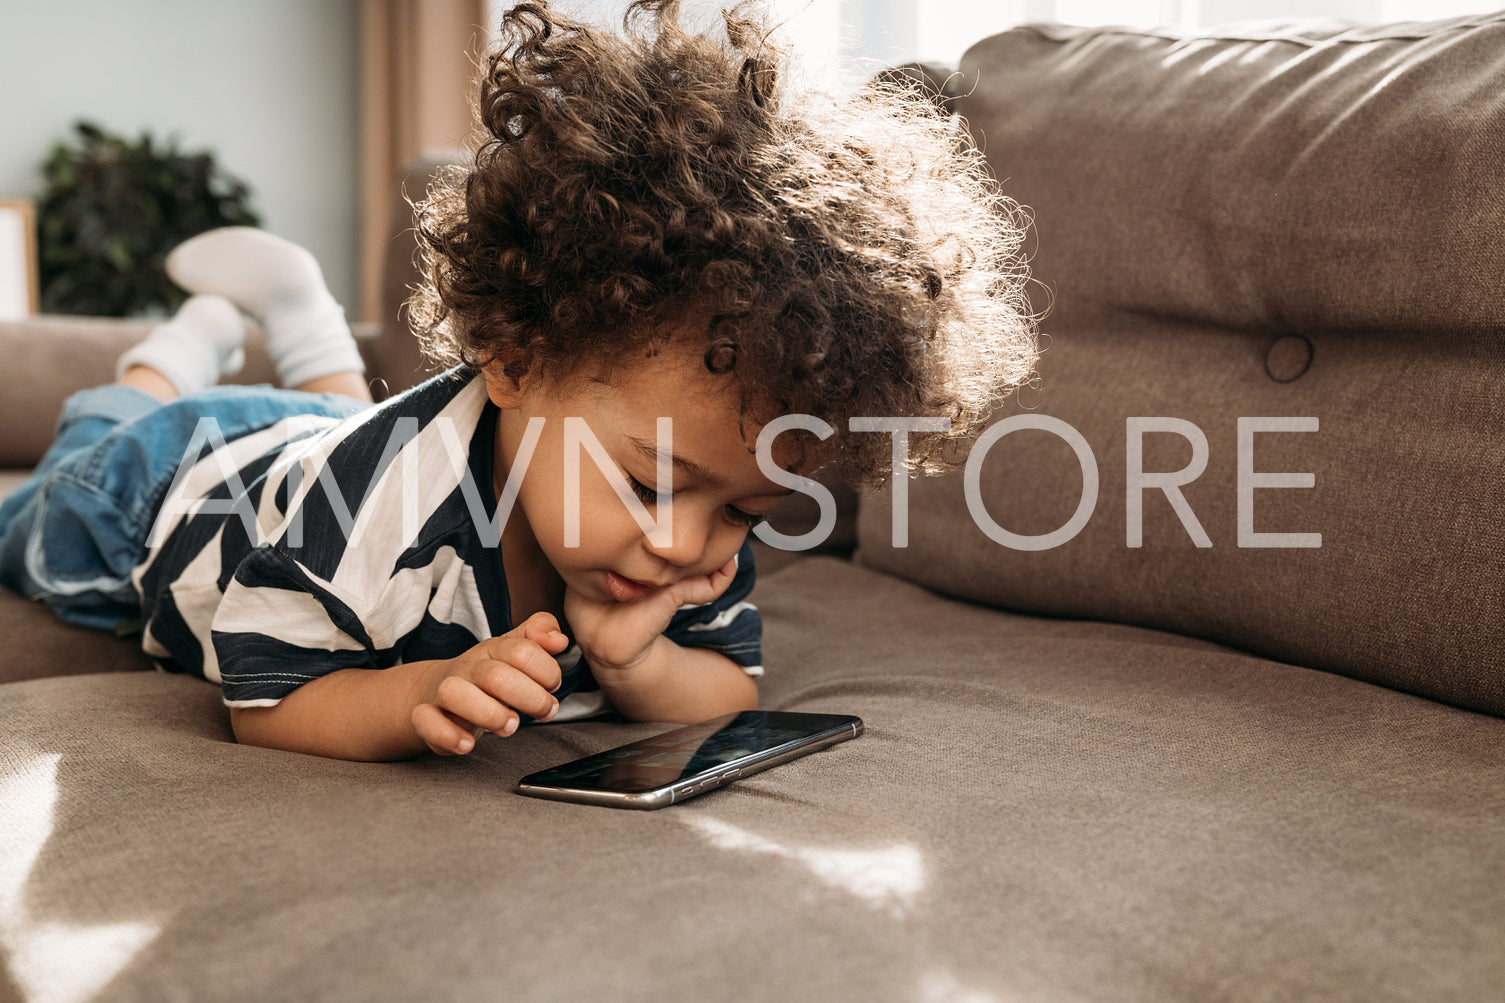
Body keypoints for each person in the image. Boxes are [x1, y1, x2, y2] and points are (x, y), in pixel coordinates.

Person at [0, 0, 1037, 762]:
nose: (686, 543)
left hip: (324, 450)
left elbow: (728, 682)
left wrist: (634, 661)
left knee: (343, 429)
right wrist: (411, 694)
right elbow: (264, 695)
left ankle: (298, 316)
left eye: (746, 512)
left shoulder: (692, 515)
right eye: (648, 484)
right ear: (514, 356)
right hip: (167, 484)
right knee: (64, 486)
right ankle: (175, 353)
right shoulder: (376, 506)